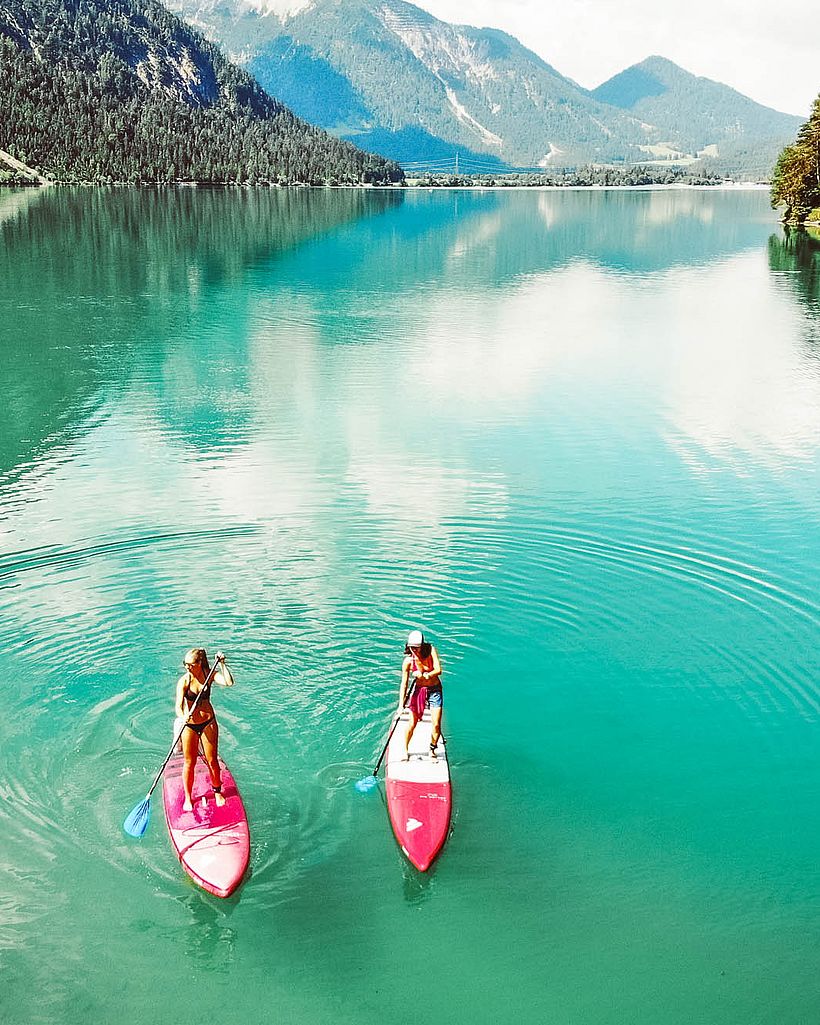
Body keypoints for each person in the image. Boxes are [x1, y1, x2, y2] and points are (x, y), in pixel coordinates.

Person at [175, 648, 234, 811]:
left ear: (199, 663)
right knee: (189, 762)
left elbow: (229, 682)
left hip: (208, 722)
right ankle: (188, 797)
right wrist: (183, 717)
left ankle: (217, 792)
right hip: (190, 726)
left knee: (212, 760)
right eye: (185, 664)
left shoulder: (209, 675)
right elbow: (178, 706)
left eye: (190, 664)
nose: (187, 668)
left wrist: (222, 664)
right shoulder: (184, 681)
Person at [398, 629, 443, 760]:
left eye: (417, 648)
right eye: (412, 648)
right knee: (413, 722)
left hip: (435, 689)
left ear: (422, 646)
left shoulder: (430, 650)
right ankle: (405, 750)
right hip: (419, 690)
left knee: (436, 724)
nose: (415, 651)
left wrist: (425, 675)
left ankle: (432, 749)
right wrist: (401, 705)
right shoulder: (408, 661)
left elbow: (438, 670)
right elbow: (404, 684)